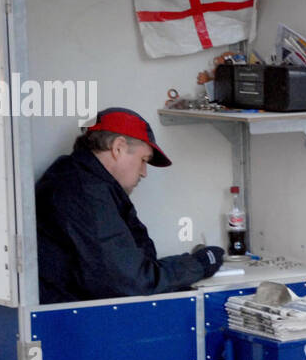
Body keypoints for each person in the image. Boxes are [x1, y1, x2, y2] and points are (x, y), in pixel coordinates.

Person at [36, 107, 225, 304]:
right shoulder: (83, 190)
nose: (144, 172)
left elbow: (134, 268)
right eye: (143, 160)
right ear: (118, 147)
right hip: (68, 324)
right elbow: (132, 283)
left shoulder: (82, 180)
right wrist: (199, 264)